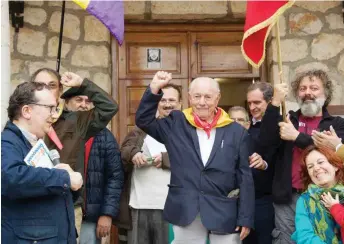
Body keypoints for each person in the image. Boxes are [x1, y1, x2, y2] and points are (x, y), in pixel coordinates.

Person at [136, 71, 254, 244]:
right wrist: (154, 88)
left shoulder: (237, 132)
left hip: (224, 210)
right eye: (197, 96)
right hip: (186, 208)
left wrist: (246, 217)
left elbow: (245, 176)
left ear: (218, 98)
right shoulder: (176, 122)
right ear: (189, 98)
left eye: (208, 97)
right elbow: (144, 120)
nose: (202, 102)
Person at [258, 69, 344, 244]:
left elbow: (335, 154)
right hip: (288, 198)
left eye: (314, 88)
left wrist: (296, 137)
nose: (307, 92)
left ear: (326, 93)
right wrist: (275, 102)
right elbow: (264, 143)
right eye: (302, 88)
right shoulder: (288, 119)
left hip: (326, 196)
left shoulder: (338, 124)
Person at [31, 68, 119, 237]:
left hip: (67, 203)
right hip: (34, 200)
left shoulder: (77, 121)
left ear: (60, 90)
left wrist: (82, 84)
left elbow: (110, 107)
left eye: (51, 85)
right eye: (39, 85)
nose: (46, 89)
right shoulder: (25, 117)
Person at [1, 82, 83, 243]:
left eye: (55, 109)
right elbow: (11, 178)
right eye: (50, 108)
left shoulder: (34, 142)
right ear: (27, 111)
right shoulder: (6, 143)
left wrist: (70, 184)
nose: (54, 115)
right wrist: (64, 178)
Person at [120, 84, 181, 244]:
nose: (167, 103)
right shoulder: (141, 129)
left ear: (180, 104)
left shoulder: (187, 131)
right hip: (140, 205)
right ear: (157, 103)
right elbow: (125, 149)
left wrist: (166, 158)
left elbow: (193, 159)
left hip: (171, 207)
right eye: (163, 100)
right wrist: (134, 153)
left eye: (172, 100)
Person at [63, 92, 124, 244]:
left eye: (88, 101)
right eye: (78, 100)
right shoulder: (57, 132)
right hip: (59, 213)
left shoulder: (105, 136)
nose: (84, 105)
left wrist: (106, 214)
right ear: (66, 103)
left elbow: (115, 177)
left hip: (89, 218)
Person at [291, 145, 344, 244]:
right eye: (310, 166)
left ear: (335, 166)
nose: (316, 168)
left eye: (320, 162)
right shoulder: (304, 200)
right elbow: (305, 236)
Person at [241, 82, 276, 244]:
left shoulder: (280, 126)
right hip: (244, 199)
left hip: (266, 199)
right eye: (249, 103)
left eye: (257, 102)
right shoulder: (246, 130)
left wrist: (265, 164)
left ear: (269, 102)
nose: (252, 107)